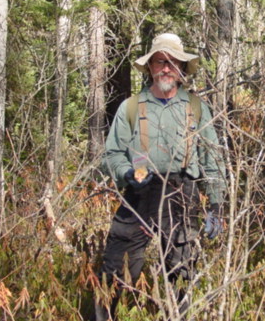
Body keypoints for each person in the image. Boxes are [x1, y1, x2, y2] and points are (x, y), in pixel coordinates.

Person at [92, 33, 226, 320]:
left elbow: (212, 159)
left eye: (173, 62)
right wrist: (126, 172)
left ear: (181, 69)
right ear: (150, 67)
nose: (166, 67)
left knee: (181, 271)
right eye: (160, 61)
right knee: (118, 266)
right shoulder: (131, 107)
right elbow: (112, 153)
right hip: (140, 192)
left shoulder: (196, 108)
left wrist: (216, 205)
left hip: (182, 193)